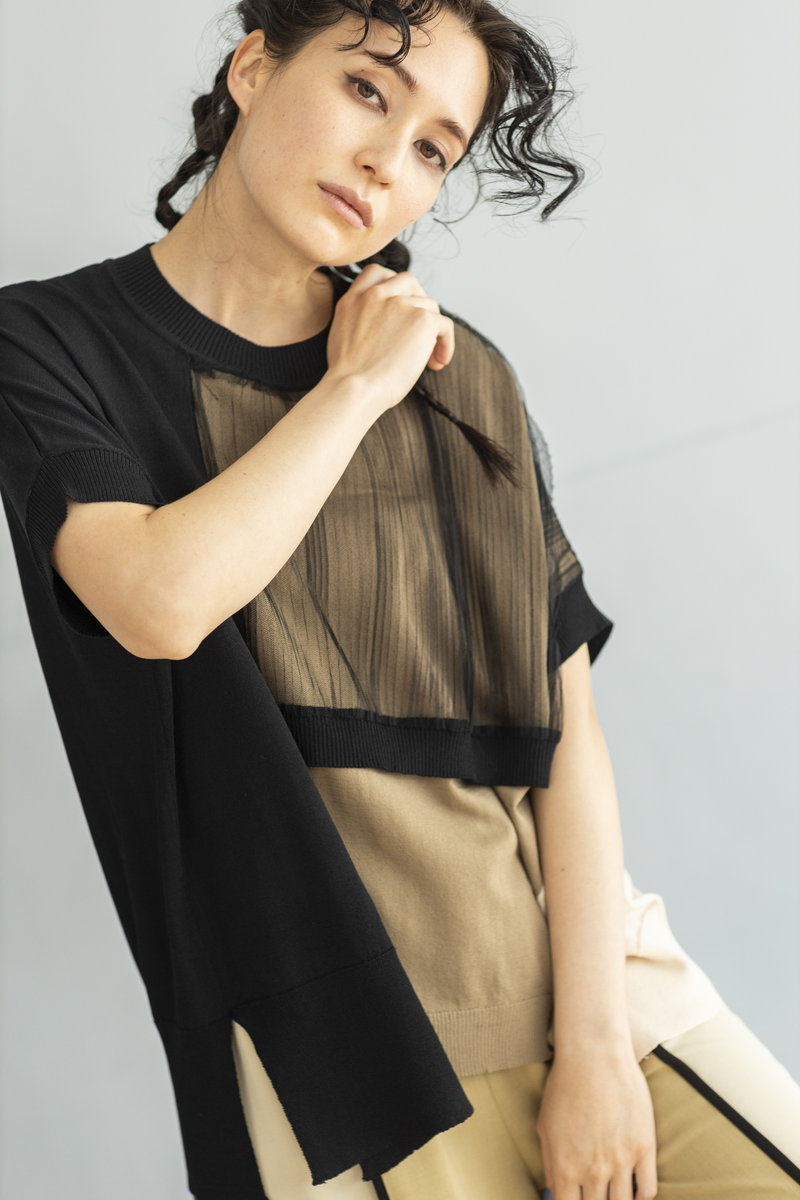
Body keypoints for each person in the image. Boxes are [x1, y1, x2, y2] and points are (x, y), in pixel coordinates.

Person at [0, 2, 798, 1198]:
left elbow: (565, 730)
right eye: (368, 92)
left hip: (589, 986)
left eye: (432, 147)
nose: (387, 161)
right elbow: (158, 603)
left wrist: (594, 1047)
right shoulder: (51, 342)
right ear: (254, 66)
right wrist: (355, 389)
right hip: (335, 1038)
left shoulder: (458, 372)